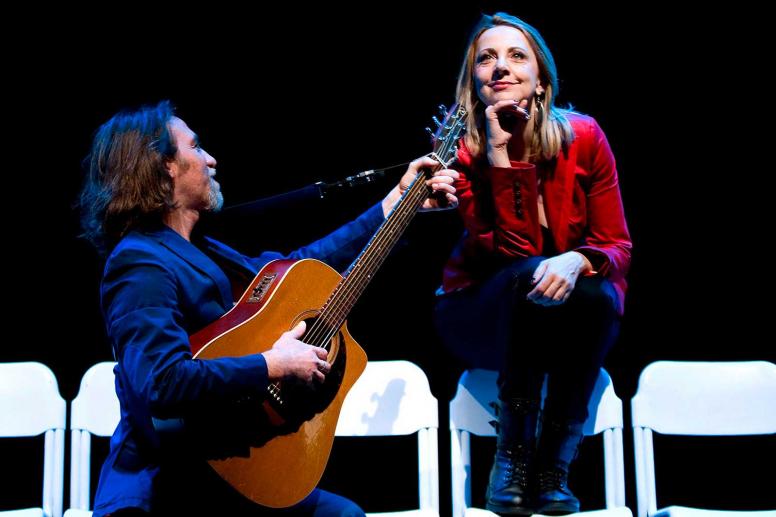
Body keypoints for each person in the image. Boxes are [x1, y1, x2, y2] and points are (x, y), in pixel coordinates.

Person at [78, 100, 458, 516]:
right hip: (169, 482)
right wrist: (273, 364)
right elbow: (162, 383)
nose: (211, 159)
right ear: (164, 165)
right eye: (196, 147)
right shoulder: (139, 262)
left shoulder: (202, 249)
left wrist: (393, 207)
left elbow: (298, 272)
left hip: (228, 464)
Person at [433, 13, 631, 516]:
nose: (501, 67)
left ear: (541, 79)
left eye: (516, 56)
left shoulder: (585, 137)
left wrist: (575, 260)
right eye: (486, 58)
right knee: (529, 276)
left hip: (561, 314)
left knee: (598, 293)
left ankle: (553, 468)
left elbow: (616, 247)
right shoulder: (463, 152)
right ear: (473, 82)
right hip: (477, 313)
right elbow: (513, 257)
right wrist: (500, 154)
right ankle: (513, 459)